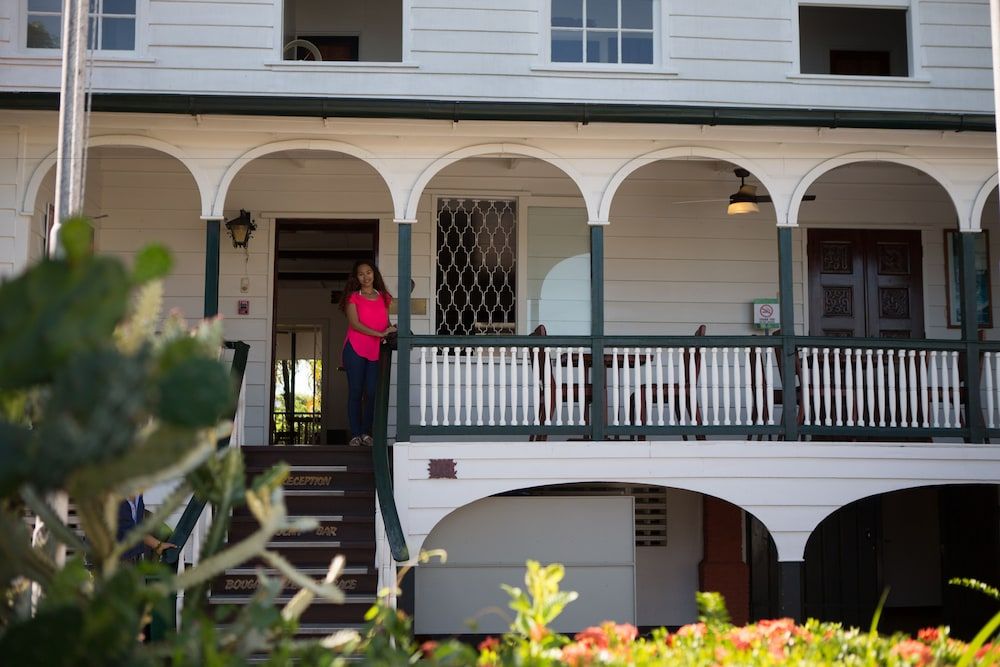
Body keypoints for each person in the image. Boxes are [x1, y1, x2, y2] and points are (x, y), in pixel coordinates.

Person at [338, 260, 396, 447]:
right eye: (361, 274)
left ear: (374, 274)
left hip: (375, 350)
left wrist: (390, 329)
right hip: (355, 348)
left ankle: (365, 432)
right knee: (356, 390)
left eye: (369, 272)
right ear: (356, 278)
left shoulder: (384, 297)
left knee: (372, 392)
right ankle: (355, 434)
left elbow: (385, 322)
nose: (365, 277)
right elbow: (355, 324)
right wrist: (380, 334)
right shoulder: (352, 297)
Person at [117, 493, 176, 563]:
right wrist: (158, 545)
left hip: (135, 556)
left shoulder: (138, 495)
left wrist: (171, 540)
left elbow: (140, 520)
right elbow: (131, 530)